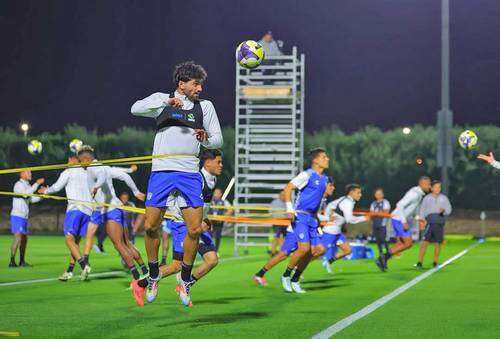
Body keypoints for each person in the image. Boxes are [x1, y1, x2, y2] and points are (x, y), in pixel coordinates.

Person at [131, 61, 222, 307]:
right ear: (181, 84)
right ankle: (152, 276)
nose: (200, 88)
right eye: (195, 84)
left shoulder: (206, 107)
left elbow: (217, 139)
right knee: (150, 226)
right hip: (161, 171)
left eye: (201, 84)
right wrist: (165, 102)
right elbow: (135, 109)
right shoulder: (163, 99)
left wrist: (206, 140)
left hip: (189, 173)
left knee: (194, 230)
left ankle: (184, 280)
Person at [131, 149, 223, 307]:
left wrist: (206, 219)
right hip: (184, 225)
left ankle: (179, 285)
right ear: (208, 162)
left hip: (199, 225)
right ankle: (143, 284)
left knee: (211, 260)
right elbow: (177, 203)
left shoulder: (212, 179)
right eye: (218, 162)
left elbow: (201, 206)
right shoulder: (196, 178)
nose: (221, 165)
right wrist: (196, 223)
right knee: (178, 265)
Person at [78, 146, 148, 282]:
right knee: (127, 243)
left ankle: (138, 278)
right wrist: (135, 191)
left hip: (110, 211)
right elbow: (124, 175)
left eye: (81, 161)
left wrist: (97, 186)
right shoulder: (104, 167)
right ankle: (145, 271)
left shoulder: (94, 168)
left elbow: (102, 177)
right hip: (117, 208)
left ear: (86, 159)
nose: (81, 164)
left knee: (119, 245)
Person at [253, 180, 335, 286]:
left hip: (306, 227)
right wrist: (327, 218)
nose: (333, 188)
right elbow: (304, 212)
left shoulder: (321, 198)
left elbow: (313, 216)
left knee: (319, 249)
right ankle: (262, 274)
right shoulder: (314, 195)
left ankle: (295, 270)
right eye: (331, 185)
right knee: (284, 254)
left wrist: (319, 226)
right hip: (297, 227)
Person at [280, 148, 329, 293]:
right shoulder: (307, 174)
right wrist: (289, 208)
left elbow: (318, 200)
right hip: (300, 216)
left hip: (312, 218)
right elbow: (288, 188)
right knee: (304, 248)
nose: (327, 159)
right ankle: (286, 275)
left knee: (316, 250)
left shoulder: (325, 179)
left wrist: (319, 217)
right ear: (316, 160)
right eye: (324, 157)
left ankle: (295, 279)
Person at [38, 155, 93, 281]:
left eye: (69, 160)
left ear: (75, 160)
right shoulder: (86, 173)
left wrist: (45, 191)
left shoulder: (69, 171)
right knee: (75, 243)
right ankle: (69, 271)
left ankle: (84, 265)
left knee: (69, 240)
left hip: (75, 209)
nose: (68, 162)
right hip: (87, 211)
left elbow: (57, 187)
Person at [377, 176, 431, 271]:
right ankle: (383, 258)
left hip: (398, 219)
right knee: (408, 243)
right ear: (422, 184)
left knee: (401, 243)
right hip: (398, 219)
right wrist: (404, 222)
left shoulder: (419, 193)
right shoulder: (415, 194)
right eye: (428, 184)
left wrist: (419, 218)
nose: (430, 187)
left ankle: (383, 259)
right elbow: (399, 205)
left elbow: (412, 209)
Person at [317, 184, 369, 274]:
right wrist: (363, 218)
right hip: (330, 232)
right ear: (351, 193)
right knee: (317, 253)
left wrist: (327, 215)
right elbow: (350, 220)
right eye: (358, 193)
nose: (360, 195)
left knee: (347, 250)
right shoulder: (348, 203)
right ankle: (298, 268)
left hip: (337, 232)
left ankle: (328, 262)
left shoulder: (346, 199)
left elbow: (330, 205)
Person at [8, 171, 44, 267]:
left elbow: (31, 199)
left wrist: (41, 195)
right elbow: (25, 194)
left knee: (24, 239)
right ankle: (12, 261)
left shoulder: (27, 186)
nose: (30, 174)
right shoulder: (18, 185)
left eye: (30, 172)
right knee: (18, 237)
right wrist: (37, 184)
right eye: (28, 172)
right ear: (22, 174)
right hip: (17, 215)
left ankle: (22, 261)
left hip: (24, 217)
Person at [415, 180, 452, 268]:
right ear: (431, 188)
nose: (438, 189)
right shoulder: (427, 198)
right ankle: (420, 262)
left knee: (437, 243)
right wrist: (422, 220)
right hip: (429, 223)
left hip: (439, 223)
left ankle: (435, 262)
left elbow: (449, 209)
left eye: (439, 187)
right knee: (425, 242)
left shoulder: (444, 198)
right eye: (436, 187)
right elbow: (422, 210)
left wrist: (444, 211)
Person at [369, 188, 391, 259]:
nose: (378, 195)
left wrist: (377, 213)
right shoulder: (373, 203)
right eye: (377, 194)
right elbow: (371, 214)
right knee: (378, 240)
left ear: (382, 194)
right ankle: (381, 253)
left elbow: (386, 212)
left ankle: (388, 253)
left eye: (380, 194)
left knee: (384, 239)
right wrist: (377, 214)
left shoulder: (386, 202)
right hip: (375, 224)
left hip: (383, 224)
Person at [269, 191, 287, 256]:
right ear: (279, 195)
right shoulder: (274, 203)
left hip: (285, 222)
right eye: (283, 195)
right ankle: (273, 252)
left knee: (284, 238)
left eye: (285, 195)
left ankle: (282, 252)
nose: (284, 196)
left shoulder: (287, 203)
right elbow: (271, 212)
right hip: (277, 222)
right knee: (277, 237)